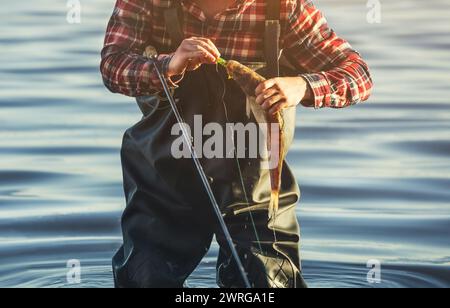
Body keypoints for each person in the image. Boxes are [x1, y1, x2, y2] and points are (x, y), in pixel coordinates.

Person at [100, 0, 373, 288]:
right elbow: (112, 65)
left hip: (257, 191)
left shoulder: (283, 7)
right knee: (146, 279)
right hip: (164, 182)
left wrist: (302, 86)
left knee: (267, 281)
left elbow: (359, 74)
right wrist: (169, 64)